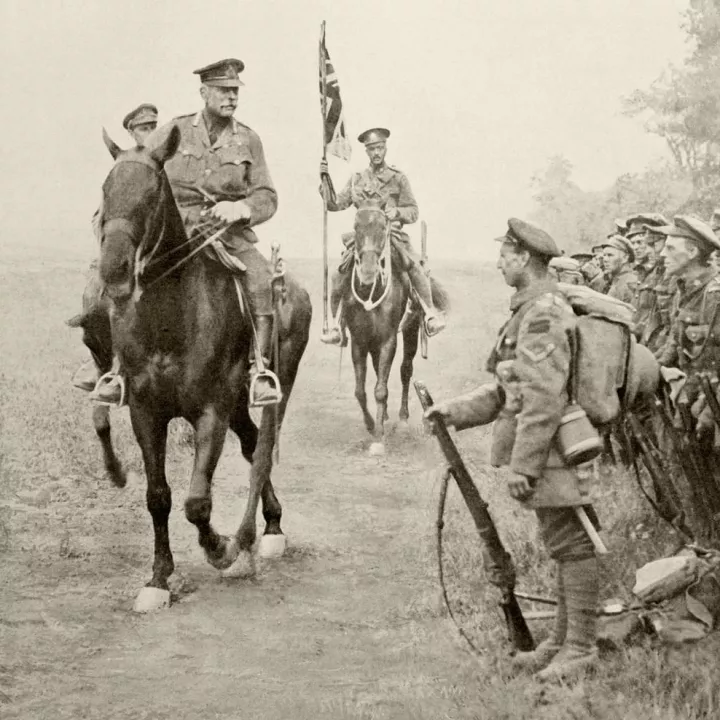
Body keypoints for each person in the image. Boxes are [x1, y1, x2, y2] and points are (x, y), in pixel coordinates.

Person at [425, 218, 601, 681]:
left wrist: (523, 465)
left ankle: (580, 648)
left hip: (555, 449)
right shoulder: (530, 310)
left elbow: (542, 398)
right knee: (564, 544)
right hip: (548, 448)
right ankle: (561, 643)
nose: (499, 262)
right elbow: (511, 389)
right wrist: (456, 411)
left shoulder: (543, 313)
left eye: (505, 254)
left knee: (574, 545)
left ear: (525, 258)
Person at [91, 59, 281, 406]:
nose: (231, 97)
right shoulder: (172, 130)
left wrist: (240, 209)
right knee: (113, 281)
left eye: (235, 91)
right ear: (203, 92)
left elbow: (267, 196)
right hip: (171, 234)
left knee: (260, 279)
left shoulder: (249, 140)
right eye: (224, 90)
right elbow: (143, 173)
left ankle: (259, 370)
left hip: (226, 234)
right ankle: (118, 370)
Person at [318, 128, 445, 346]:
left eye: (380, 148)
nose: (377, 152)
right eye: (372, 149)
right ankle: (337, 326)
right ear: (366, 151)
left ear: (385, 148)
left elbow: (413, 211)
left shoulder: (397, 178)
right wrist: (325, 182)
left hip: (391, 235)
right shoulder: (357, 179)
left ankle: (430, 314)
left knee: (414, 266)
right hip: (363, 239)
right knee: (339, 274)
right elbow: (335, 204)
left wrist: (397, 213)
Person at [71, 103, 160, 396]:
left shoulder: (164, 161)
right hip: (124, 251)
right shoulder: (122, 166)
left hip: (162, 251)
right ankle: (103, 365)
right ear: (131, 133)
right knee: (94, 298)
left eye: (153, 127)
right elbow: (102, 216)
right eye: (143, 128)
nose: (149, 133)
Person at [601, 235, 637, 305]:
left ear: (625, 258)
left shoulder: (628, 282)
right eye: (604, 255)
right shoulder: (616, 280)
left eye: (610, 255)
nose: (605, 260)